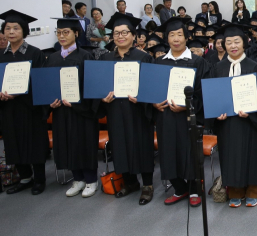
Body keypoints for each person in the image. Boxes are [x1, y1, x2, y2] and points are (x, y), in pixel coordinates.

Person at [99, 13, 156, 205]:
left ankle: (147, 185)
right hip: (115, 110)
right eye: (116, 33)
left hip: (137, 111)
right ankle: (130, 182)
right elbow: (100, 87)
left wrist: (142, 98)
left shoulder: (144, 58)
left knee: (141, 144)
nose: (120, 36)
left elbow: (150, 88)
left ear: (133, 36)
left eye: (124, 32)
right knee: (119, 145)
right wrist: (103, 99)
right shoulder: (105, 59)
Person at [153, 17, 211, 208]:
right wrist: (154, 104)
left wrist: (188, 105)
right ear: (167, 39)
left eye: (179, 34)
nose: (176, 39)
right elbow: (152, 90)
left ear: (186, 37)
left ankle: (195, 188)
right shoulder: (160, 62)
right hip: (166, 117)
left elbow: (204, 93)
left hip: (189, 118)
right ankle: (179, 188)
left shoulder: (198, 62)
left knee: (190, 152)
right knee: (168, 151)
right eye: (172, 35)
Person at [211, 23, 257, 207]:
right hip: (227, 123)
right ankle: (234, 192)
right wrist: (216, 113)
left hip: (249, 121)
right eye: (228, 42)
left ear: (244, 42)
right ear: (223, 45)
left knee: (251, 154)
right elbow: (214, 96)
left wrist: (251, 112)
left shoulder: (255, 66)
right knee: (229, 155)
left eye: (237, 41)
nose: (233, 46)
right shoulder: (217, 68)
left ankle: (252, 192)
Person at [47, 18, 100, 198]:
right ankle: (78, 179)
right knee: (67, 143)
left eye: (66, 32)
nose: (61, 36)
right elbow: (48, 86)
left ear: (76, 34)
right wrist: (50, 101)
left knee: (83, 143)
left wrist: (79, 103)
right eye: (59, 32)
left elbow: (91, 85)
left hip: (81, 112)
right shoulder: (52, 58)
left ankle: (91, 180)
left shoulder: (85, 56)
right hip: (61, 111)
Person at [0, 9, 48, 195]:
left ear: (24, 31)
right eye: (8, 28)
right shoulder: (1, 55)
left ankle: (40, 179)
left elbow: (40, 82)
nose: (11, 32)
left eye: (16, 28)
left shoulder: (35, 53)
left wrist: (19, 93)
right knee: (13, 142)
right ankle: (25, 177)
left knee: (34, 142)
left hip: (29, 107)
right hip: (8, 108)